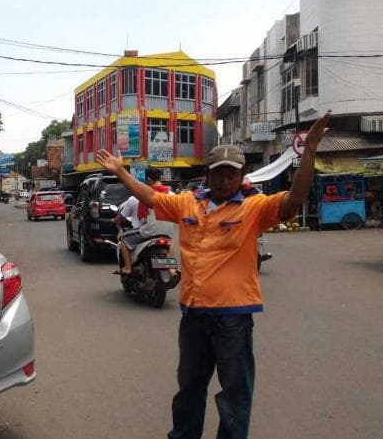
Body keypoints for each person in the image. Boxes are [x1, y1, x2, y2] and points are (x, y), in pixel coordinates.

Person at [96, 112, 331, 439]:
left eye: (230, 175)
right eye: (218, 174)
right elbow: (150, 197)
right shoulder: (187, 204)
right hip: (193, 316)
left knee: (234, 393)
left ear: (241, 176)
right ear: (207, 175)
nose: (224, 181)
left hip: (232, 318)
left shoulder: (254, 208)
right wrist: (121, 172)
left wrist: (309, 152)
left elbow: (294, 200)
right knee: (189, 388)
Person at [114, 167, 174, 275]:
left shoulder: (144, 197)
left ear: (149, 180)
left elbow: (142, 218)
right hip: (167, 231)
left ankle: (127, 268)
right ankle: (171, 269)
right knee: (171, 243)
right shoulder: (172, 195)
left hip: (149, 231)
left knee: (124, 239)